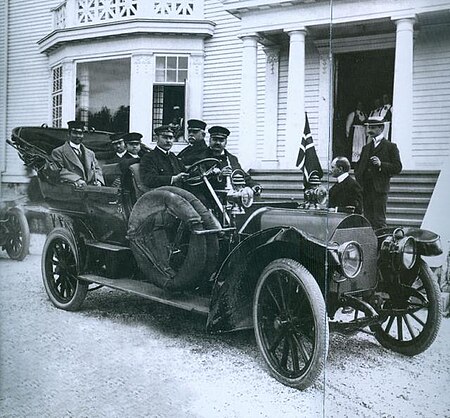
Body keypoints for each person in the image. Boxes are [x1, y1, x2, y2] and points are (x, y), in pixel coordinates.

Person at [355, 116, 402, 230]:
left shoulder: (390, 146)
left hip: (379, 189)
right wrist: (359, 178)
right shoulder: (366, 148)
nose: (369, 130)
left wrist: (381, 165)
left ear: (381, 128)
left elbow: (398, 167)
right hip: (365, 189)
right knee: (367, 219)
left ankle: (381, 245)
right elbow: (359, 166)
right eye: (369, 127)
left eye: (373, 127)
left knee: (379, 220)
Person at [198, 125, 262, 195]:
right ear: (210, 140)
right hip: (210, 197)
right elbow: (198, 180)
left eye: (221, 140)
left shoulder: (232, 158)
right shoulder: (201, 157)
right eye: (215, 139)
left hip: (233, 197)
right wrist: (218, 176)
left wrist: (254, 185)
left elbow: (242, 175)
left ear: (226, 142)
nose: (218, 143)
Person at [51, 120, 104, 188]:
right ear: (69, 134)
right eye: (75, 133)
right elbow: (59, 170)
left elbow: (97, 169)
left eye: (80, 133)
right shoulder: (58, 152)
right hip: (71, 189)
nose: (78, 136)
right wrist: (77, 180)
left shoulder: (90, 153)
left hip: (90, 189)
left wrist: (98, 180)